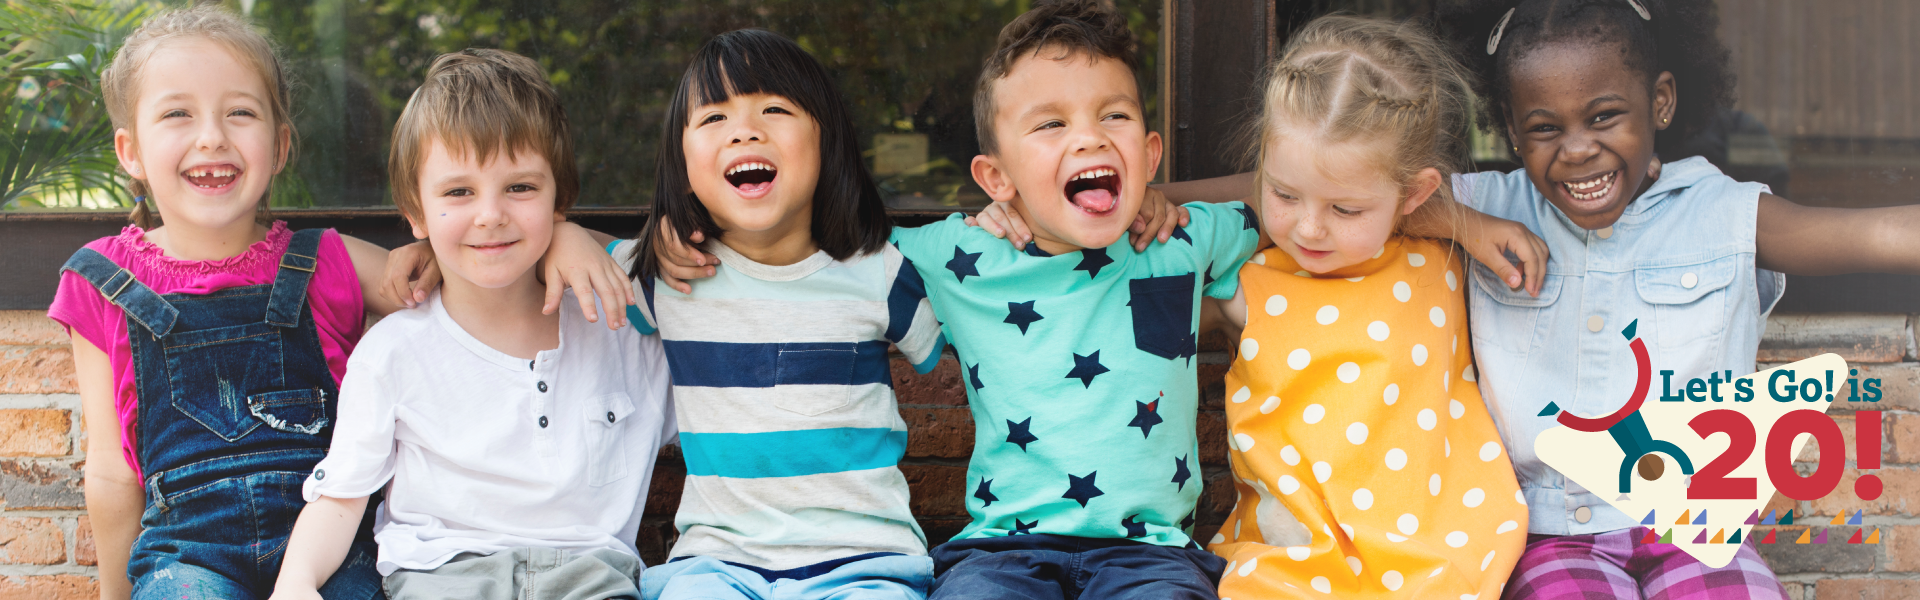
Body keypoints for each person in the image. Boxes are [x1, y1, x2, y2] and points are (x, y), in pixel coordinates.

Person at [1429, 0, 1920, 597]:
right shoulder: (1486, 205)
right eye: (1545, 127)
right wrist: (1467, 225)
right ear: (1510, 128)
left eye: (1605, 116)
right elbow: (1348, 198)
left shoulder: (1722, 213)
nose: (1577, 149)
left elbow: (1873, 236)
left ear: (1659, 101)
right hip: (1554, 535)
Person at [267, 49, 674, 600]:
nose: (490, 214)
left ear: (560, 199)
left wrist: (576, 236)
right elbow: (342, 495)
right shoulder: (393, 352)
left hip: (591, 577)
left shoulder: (621, 321)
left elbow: (703, 264)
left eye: (521, 188)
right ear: (415, 212)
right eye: (459, 192)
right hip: (441, 574)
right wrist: (295, 583)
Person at [596, 28, 951, 600]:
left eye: (775, 108)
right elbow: (545, 257)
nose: (745, 129)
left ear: (825, 140)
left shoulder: (881, 271)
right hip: (715, 566)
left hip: (865, 563)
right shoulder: (664, 273)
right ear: (682, 162)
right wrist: (565, 238)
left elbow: (991, 310)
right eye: (713, 118)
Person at [1200, 15, 1526, 598]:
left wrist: (1466, 224)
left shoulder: (1443, 260)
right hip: (1289, 567)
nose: (1308, 227)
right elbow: (1117, 275)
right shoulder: (1245, 283)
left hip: (1442, 563)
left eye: (1345, 210)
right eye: (1283, 193)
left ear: (1416, 193)